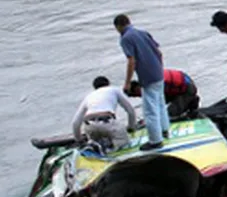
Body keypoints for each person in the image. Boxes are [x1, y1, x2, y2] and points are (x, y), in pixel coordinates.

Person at [114, 14, 167, 151]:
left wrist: (127, 83)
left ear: (118, 27)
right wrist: (159, 69)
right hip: (158, 73)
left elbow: (131, 60)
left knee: (150, 110)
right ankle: (164, 130)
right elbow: (159, 53)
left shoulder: (125, 38)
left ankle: (156, 141)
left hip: (147, 77)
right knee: (160, 103)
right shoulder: (143, 33)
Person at [71, 76, 137, 152]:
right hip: (107, 121)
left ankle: (96, 147)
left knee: (100, 143)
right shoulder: (113, 90)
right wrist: (131, 127)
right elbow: (130, 111)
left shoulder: (89, 96)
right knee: (124, 146)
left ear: (95, 88)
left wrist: (79, 140)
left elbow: (75, 123)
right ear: (108, 84)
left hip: (89, 125)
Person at [129, 69, 199, 120]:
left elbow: (156, 105)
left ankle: (192, 103)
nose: (140, 97)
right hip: (181, 83)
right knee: (165, 103)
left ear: (137, 89)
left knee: (170, 113)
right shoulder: (148, 81)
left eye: (137, 95)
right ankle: (191, 102)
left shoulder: (152, 86)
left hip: (187, 88)